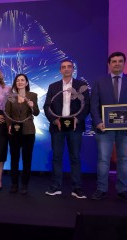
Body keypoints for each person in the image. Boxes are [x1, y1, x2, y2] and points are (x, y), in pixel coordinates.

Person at [90, 52, 127, 202]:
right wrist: (98, 121)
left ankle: (123, 189)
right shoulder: (99, 81)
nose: (117, 64)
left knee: (124, 160)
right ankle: (101, 189)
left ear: (124, 63)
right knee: (103, 159)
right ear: (109, 64)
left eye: (120, 61)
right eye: (114, 61)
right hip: (104, 127)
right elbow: (94, 105)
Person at [43, 59, 90, 198]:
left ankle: (77, 188)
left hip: (75, 126)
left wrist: (77, 119)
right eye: (63, 67)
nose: (66, 69)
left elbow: (86, 105)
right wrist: (55, 120)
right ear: (60, 70)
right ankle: (56, 186)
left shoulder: (82, 85)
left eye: (69, 66)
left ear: (73, 69)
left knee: (75, 157)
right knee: (57, 157)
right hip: (57, 127)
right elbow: (46, 106)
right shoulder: (53, 87)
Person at [5, 73, 39, 194]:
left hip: (28, 131)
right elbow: (7, 113)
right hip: (14, 132)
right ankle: (14, 184)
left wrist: (32, 106)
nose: (20, 82)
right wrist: (9, 125)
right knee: (14, 158)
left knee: (27, 158)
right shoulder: (11, 97)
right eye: (18, 80)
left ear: (26, 82)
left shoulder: (33, 96)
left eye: (22, 80)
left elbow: (36, 113)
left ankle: (25, 185)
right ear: (15, 83)